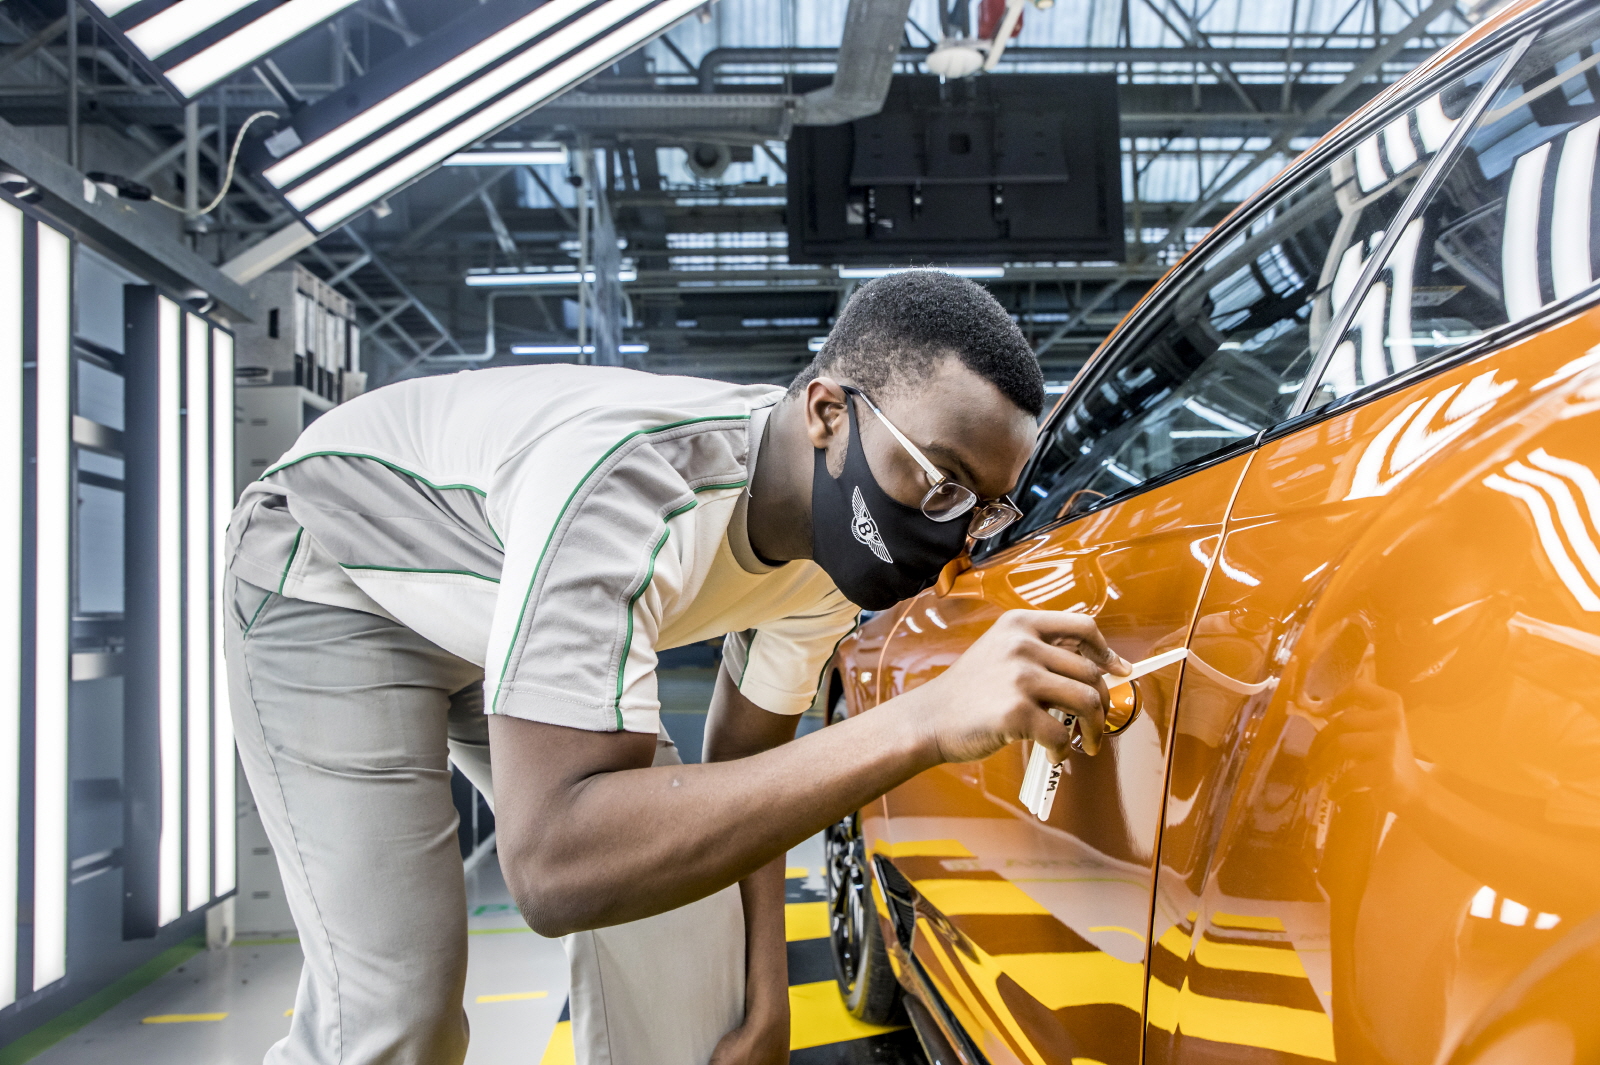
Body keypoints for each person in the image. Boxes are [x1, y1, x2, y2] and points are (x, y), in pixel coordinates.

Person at [224, 270, 1130, 1065]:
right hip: (334, 577)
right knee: (398, 1017)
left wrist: (765, 996)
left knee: (691, 946)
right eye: (940, 483)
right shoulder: (629, 486)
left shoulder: (832, 549)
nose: (955, 535)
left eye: (983, 509)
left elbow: (749, 768)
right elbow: (552, 863)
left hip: (499, 608)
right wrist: (923, 720)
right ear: (828, 414)